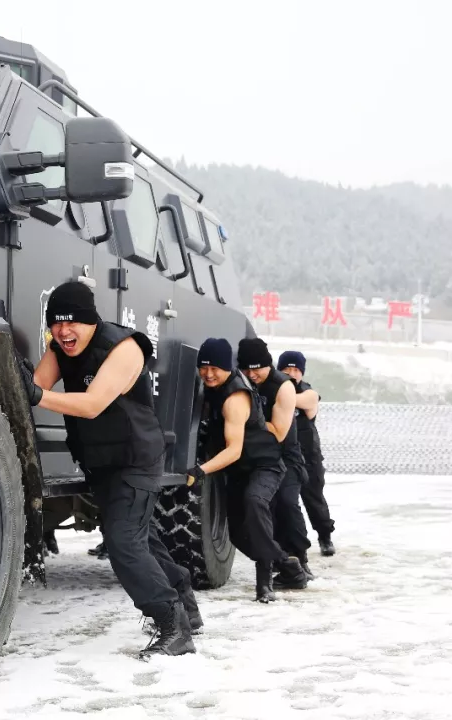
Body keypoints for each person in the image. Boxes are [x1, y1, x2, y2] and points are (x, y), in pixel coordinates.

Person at [18, 281, 199, 657]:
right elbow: (34, 384)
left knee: (123, 544)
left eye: (72, 324)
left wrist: (37, 395)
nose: (64, 332)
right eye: (55, 324)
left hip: (136, 457)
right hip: (101, 461)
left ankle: (172, 626)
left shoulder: (124, 347)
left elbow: (92, 404)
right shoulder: (61, 348)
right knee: (141, 539)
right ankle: (186, 605)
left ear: (91, 321)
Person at [187, 337, 308, 603]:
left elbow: (234, 449)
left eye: (214, 368)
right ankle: (288, 566)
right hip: (238, 470)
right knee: (237, 535)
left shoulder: (236, 397)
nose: (208, 374)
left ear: (227, 368)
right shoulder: (213, 388)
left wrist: (200, 471)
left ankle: (264, 585)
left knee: (255, 504)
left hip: (265, 464)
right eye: (203, 368)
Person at [237, 338, 313, 588]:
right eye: (246, 369)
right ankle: (278, 563)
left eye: (256, 368)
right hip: (259, 456)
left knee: (288, 504)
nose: (251, 374)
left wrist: (239, 423)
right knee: (265, 510)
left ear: (268, 365)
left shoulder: (282, 386)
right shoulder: (243, 380)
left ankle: (301, 559)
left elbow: (279, 431)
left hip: (286, 456)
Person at [277, 350, 336, 556]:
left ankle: (325, 536)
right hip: (285, 457)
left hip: (309, 456)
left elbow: (308, 402)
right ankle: (289, 542)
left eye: (296, 370)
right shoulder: (274, 389)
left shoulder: (308, 392)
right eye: (287, 369)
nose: (292, 374)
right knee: (286, 501)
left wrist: (279, 395)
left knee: (314, 498)